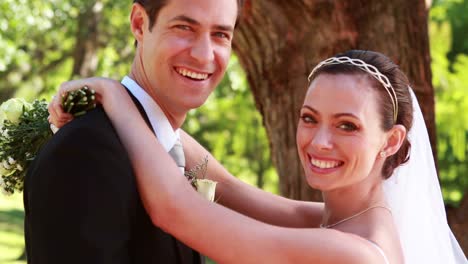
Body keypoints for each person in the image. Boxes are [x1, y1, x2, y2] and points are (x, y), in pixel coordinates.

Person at [50, 50, 467, 263]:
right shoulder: (338, 219)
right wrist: (156, 120)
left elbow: (176, 212)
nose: (320, 142)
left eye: (347, 125)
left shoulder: (354, 253)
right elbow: (228, 186)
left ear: (391, 141)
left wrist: (114, 95)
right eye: (309, 118)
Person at [24, 0, 249, 263]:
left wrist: (114, 93)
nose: (204, 54)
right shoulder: (85, 151)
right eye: (184, 27)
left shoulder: (170, 145)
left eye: (221, 34)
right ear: (139, 23)